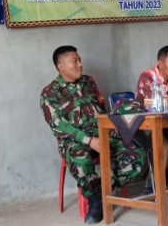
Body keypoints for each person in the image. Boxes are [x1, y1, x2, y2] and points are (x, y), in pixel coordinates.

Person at [40, 45, 146, 224]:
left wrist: (111, 128)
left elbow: (101, 109)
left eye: (80, 60)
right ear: (61, 66)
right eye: (75, 61)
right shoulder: (50, 92)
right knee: (80, 158)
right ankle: (95, 201)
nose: (80, 64)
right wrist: (89, 140)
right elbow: (58, 125)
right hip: (75, 140)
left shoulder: (89, 82)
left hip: (102, 134)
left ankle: (103, 190)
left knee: (137, 155)